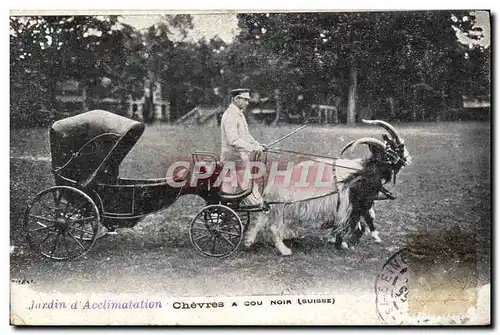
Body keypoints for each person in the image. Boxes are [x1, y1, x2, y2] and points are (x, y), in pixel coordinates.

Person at [220, 88, 266, 208]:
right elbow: (233, 140)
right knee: (243, 187)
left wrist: (257, 145)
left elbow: (246, 135)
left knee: (240, 187)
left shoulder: (238, 114)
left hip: (240, 158)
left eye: (248, 100)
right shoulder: (231, 116)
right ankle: (258, 204)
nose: (247, 103)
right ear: (236, 99)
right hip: (233, 159)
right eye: (245, 100)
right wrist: (252, 148)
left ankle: (256, 204)